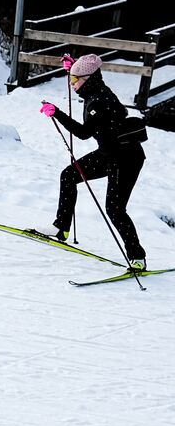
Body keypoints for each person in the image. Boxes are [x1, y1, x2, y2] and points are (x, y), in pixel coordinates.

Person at [41, 54, 149, 269]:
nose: (72, 85)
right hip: (108, 153)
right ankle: (61, 229)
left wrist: (58, 114)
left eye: (75, 80)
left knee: (115, 209)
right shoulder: (94, 90)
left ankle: (138, 257)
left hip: (126, 159)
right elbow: (83, 78)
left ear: (88, 78)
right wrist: (73, 69)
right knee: (69, 175)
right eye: (71, 80)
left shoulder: (99, 101)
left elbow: (82, 133)